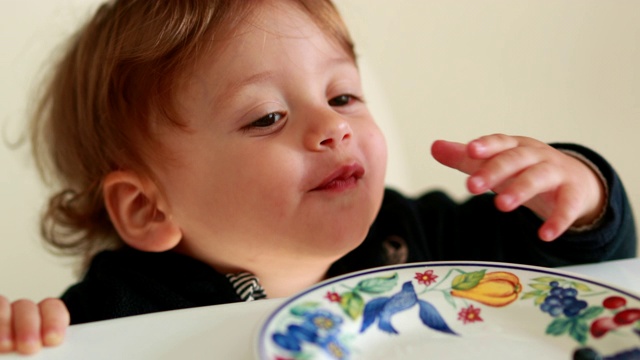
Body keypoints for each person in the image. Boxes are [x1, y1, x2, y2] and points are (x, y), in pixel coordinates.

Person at [0, 0, 635, 355]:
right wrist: (25, 337)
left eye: (342, 97)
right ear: (147, 208)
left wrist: (579, 201)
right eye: (267, 117)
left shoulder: (421, 236)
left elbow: (577, 274)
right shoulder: (117, 316)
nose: (332, 129)